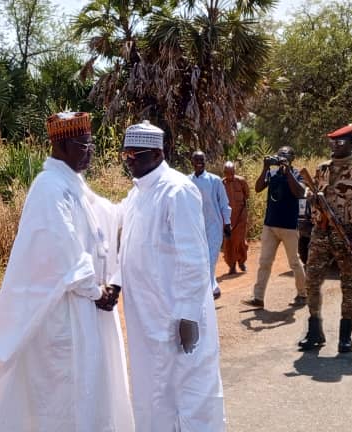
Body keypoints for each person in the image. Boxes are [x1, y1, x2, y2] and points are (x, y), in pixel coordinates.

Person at [0, 112, 134, 432]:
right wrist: (96, 290)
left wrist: (137, 200)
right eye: (85, 145)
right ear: (63, 145)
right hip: (61, 315)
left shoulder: (71, 183)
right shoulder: (49, 187)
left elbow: (106, 215)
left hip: (82, 309)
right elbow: (65, 252)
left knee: (84, 392)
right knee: (61, 397)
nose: (91, 151)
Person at [117, 121, 225, 431]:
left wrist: (189, 316)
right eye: (125, 155)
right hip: (147, 321)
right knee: (155, 393)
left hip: (175, 319)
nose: (129, 161)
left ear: (155, 153)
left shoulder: (177, 190)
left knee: (188, 396)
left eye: (133, 155)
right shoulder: (138, 193)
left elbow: (193, 257)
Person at [298, 125, 352, 354]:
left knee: (348, 284)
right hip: (320, 232)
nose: (335, 146)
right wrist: (313, 199)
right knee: (312, 281)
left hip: (345, 234)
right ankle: (314, 331)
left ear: (351, 144)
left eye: (340, 142)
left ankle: (345, 336)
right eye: (332, 142)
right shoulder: (321, 169)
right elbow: (309, 198)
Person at [242, 147, 308, 309]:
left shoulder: (297, 174)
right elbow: (258, 188)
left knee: (294, 262)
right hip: (270, 225)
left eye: (285, 156)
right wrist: (265, 167)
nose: (281, 159)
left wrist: (287, 173)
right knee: (264, 262)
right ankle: (258, 298)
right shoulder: (272, 174)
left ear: (292, 158)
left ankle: (302, 294)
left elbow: (300, 192)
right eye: (279, 156)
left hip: (289, 227)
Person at [189, 150, 232, 299]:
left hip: (214, 225)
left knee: (211, 258)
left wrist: (227, 223)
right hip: (195, 227)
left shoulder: (215, 181)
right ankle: (212, 288)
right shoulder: (187, 181)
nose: (200, 163)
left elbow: (224, 203)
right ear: (192, 162)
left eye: (202, 160)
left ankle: (209, 290)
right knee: (200, 258)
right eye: (197, 160)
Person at [222, 161, 249, 274]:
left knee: (239, 241)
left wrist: (244, 214)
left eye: (232, 173)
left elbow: (247, 196)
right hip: (227, 219)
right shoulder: (221, 184)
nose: (230, 175)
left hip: (241, 217)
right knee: (228, 242)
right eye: (228, 173)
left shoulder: (241, 181)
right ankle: (232, 266)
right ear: (224, 173)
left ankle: (241, 261)